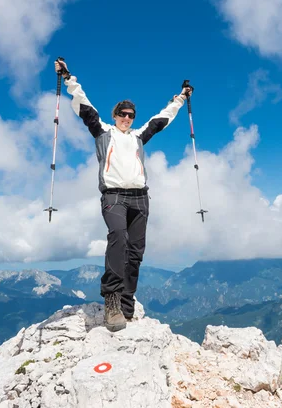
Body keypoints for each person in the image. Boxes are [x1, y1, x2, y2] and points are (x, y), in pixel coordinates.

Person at [54, 59, 192, 332]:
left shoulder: (139, 136)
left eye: (130, 115)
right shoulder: (104, 132)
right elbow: (84, 107)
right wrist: (68, 77)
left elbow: (162, 119)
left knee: (135, 251)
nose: (127, 119)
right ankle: (113, 301)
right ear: (115, 115)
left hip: (141, 197)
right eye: (122, 114)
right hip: (114, 197)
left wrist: (181, 98)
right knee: (118, 238)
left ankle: (127, 303)